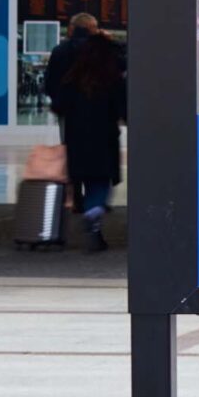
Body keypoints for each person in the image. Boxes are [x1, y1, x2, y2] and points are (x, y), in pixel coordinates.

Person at [48, 24, 126, 252]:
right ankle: (94, 214)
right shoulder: (112, 80)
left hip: (77, 138)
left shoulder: (73, 79)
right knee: (101, 183)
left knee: (83, 177)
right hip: (104, 138)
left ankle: (91, 216)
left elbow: (58, 104)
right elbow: (123, 109)